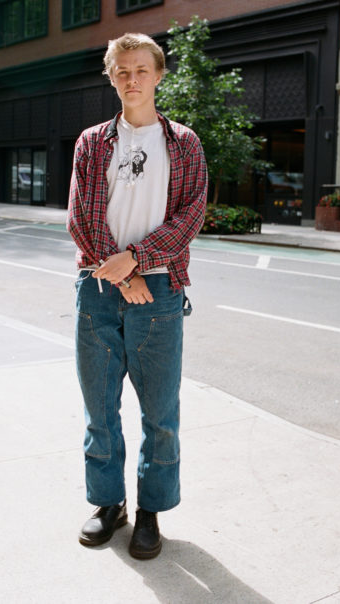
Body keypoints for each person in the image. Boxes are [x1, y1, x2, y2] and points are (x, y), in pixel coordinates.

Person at [67, 32, 208, 559]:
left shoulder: (184, 143)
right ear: (111, 76)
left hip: (163, 292)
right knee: (99, 410)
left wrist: (141, 261)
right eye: (122, 70)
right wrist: (124, 273)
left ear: (158, 75)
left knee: (159, 413)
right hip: (99, 289)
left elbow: (190, 215)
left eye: (141, 70)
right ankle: (109, 505)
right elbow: (81, 217)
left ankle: (150, 510)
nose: (131, 79)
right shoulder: (91, 142)